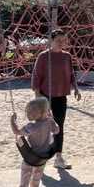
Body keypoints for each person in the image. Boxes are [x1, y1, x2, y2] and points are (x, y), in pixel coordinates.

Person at [32, 29, 81, 170]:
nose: (61, 43)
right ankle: (39, 155)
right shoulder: (43, 56)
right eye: (58, 40)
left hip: (61, 95)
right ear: (51, 40)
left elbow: (71, 75)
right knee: (42, 126)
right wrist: (37, 96)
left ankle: (58, 158)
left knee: (58, 127)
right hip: (44, 96)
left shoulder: (67, 56)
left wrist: (76, 89)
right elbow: (36, 77)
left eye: (63, 40)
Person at [11, 97, 59, 187]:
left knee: (24, 183)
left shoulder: (32, 126)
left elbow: (16, 132)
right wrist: (52, 119)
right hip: (42, 159)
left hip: (30, 159)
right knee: (35, 182)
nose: (28, 114)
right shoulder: (50, 122)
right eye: (27, 112)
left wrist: (12, 121)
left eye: (31, 112)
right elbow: (57, 131)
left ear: (42, 112)